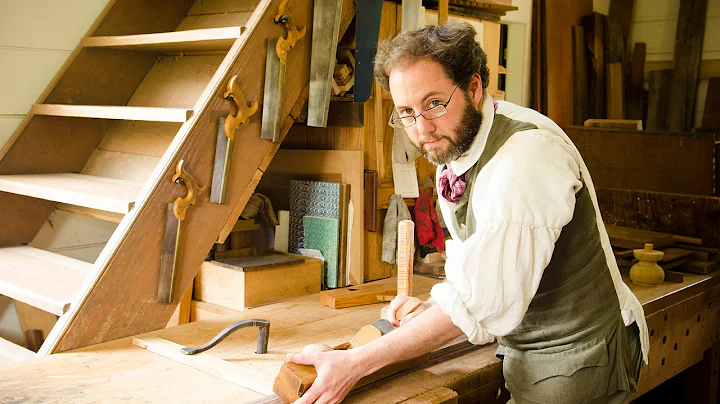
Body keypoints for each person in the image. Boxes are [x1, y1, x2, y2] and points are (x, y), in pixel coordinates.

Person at [287, 21, 648, 404]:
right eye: (406, 112)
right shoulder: (459, 140)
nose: (422, 128)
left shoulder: (522, 159)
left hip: (581, 357)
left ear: (474, 88)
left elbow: (483, 301)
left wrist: (356, 364)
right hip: (525, 349)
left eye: (433, 103)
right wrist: (428, 309)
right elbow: (480, 277)